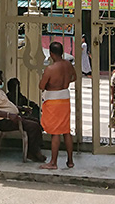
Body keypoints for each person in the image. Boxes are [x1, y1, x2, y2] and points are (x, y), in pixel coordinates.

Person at [0, 70, 46, 162]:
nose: (2, 81)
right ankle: (32, 153)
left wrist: (22, 109)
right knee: (33, 126)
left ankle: (36, 149)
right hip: (6, 122)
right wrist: (9, 115)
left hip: (13, 118)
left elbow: (8, 105)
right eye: (1, 79)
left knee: (35, 121)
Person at [38, 41, 75, 170]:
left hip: (53, 100)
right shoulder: (68, 65)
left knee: (55, 132)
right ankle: (70, 161)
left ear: (52, 54)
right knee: (66, 131)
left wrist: (52, 85)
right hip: (65, 97)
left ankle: (53, 162)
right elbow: (74, 77)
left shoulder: (50, 69)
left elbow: (41, 86)